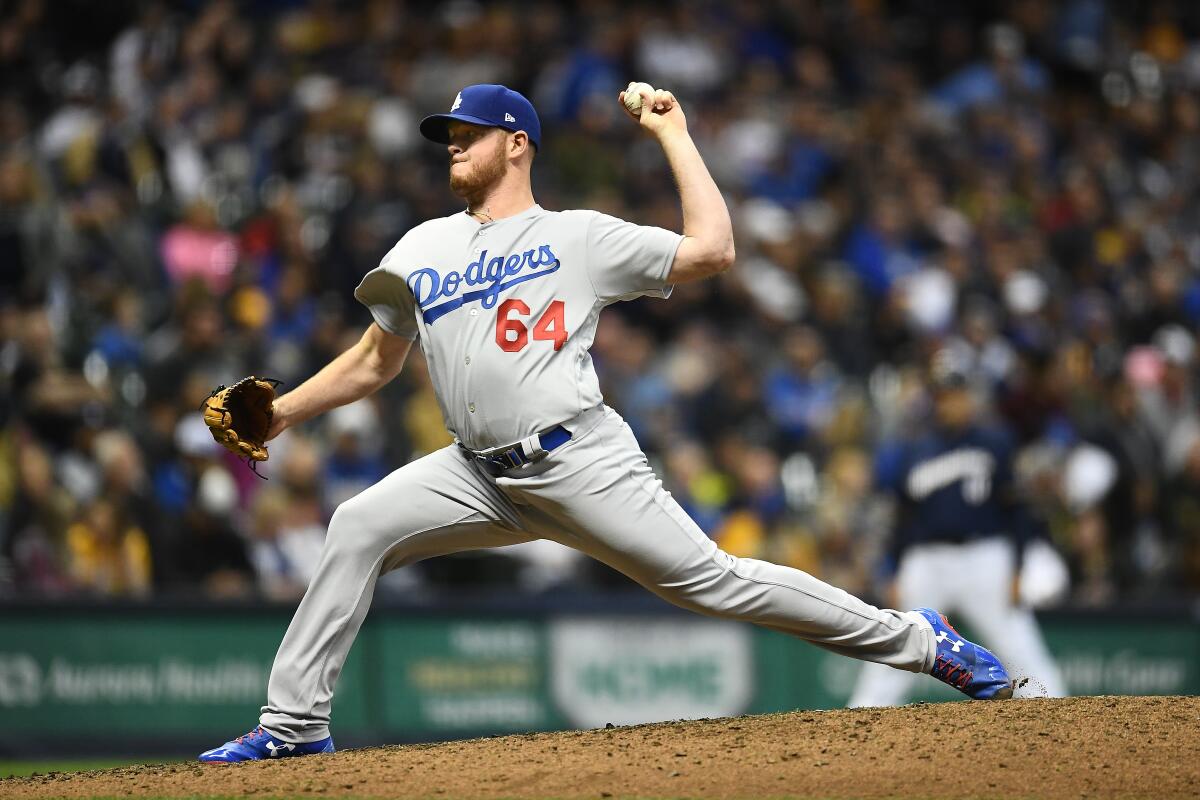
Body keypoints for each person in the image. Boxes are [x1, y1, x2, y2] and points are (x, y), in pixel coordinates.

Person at [199, 83, 1013, 763]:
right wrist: (280, 412)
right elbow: (377, 362)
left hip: (579, 460)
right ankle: (295, 726)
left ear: (516, 144)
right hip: (476, 473)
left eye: (467, 134)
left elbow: (713, 251)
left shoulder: (575, 236)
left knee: (717, 583)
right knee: (358, 524)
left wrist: (674, 135)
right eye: (446, 135)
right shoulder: (421, 246)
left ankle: (923, 642)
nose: (451, 144)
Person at [847, 352, 1067, 708]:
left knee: (1019, 647)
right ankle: (860, 718)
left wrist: (1018, 567)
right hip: (926, 561)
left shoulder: (996, 442)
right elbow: (901, 518)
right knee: (896, 643)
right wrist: (893, 569)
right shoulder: (914, 448)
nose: (951, 402)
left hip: (986, 557)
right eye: (943, 395)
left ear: (969, 395)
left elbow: (1018, 510)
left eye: (956, 393)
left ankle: (1059, 712)